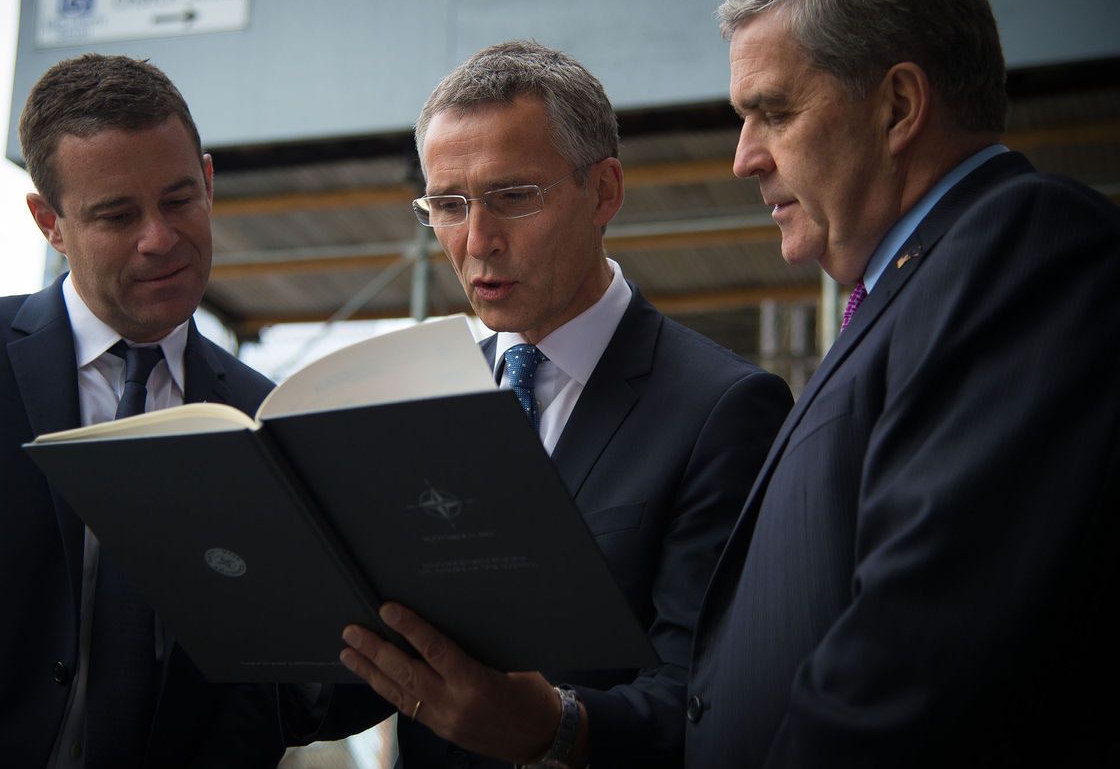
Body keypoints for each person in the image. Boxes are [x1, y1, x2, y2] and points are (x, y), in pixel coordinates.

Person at [682, 0, 1120, 767]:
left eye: (771, 111)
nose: (743, 158)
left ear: (899, 105)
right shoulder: (909, 287)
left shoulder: (1023, 244)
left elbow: (926, 637)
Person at [328, 41, 794, 767]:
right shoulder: (423, 399)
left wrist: (555, 727)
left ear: (604, 191)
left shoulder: (724, 409)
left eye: (513, 197)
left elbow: (708, 702)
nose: (476, 242)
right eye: (448, 205)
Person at [0, 54, 287, 767]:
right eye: (117, 214)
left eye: (178, 200)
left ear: (207, 181)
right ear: (49, 221)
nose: (160, 237)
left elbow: (264, 682)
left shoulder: (266, 415)